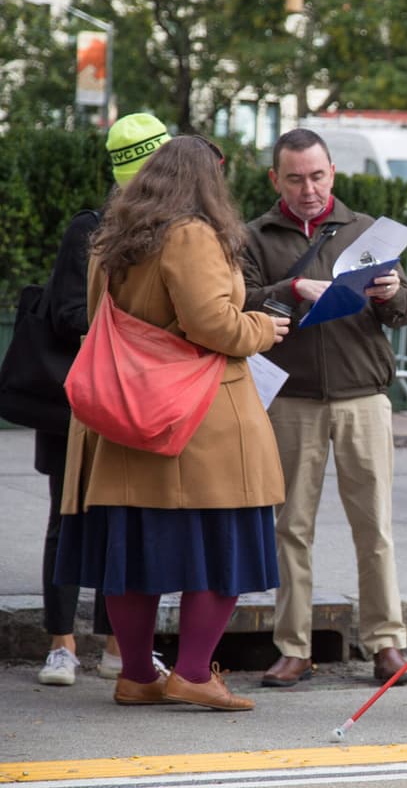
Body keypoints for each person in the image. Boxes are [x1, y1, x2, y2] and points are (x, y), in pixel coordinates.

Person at [56, 135, 291, 711]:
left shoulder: (111, 239)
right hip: (200, 424)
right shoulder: (192, 233)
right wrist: (263, 328)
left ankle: (137, 674)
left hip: (127, 414)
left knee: (134, 557)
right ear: (209, 181)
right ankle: (191, 672)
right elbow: (213, 323)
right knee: (221, 552)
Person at [242, 129, 407, 690]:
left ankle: (385, 644)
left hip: (364, 397)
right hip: (291, 400)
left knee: (375, 528)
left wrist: (392, 292)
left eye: (317, 176)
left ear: (332, 173)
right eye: (295, 178)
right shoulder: (253, 236)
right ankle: (292, 648)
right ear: (276, 180)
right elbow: (239, 301)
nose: (308, 188)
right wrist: (294, 287)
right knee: (291, 527)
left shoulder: (367, 230)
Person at [35, 114, 173, 687]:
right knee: (66, 522)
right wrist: (133, 337)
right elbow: (67, 314)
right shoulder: (88, 229)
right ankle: (62, 645)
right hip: (82, 403)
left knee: (133, 525)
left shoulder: (175, 233)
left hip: (137, 404)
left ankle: (122, 648)